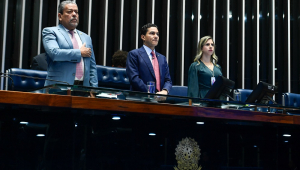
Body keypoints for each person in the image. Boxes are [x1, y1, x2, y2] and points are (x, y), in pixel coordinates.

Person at [42, 1, 98, 87]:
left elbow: (92, 66)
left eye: (76, 12)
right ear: (60, 16)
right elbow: (54, 53)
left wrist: (94, 89)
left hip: (83, 88)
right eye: (69, 11)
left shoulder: (86, 37)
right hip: (58, 87)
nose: (74, 14)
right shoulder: (51, 32)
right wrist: (79, 53)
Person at [126, 23, 172, 95]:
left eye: (157, 34)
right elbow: (134, 78)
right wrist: (150, 93)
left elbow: (168, 80)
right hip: (140, 98)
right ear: (143, 37)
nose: (156, 36)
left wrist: (165, 91)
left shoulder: (162, 58)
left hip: (160, 100)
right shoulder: (134, 54)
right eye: (152, 33)